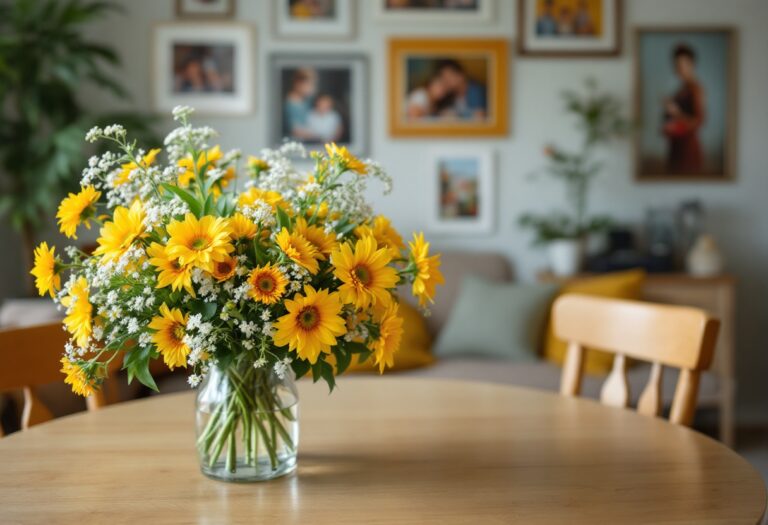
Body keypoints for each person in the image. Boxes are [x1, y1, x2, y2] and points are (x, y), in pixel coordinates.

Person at [662, 43, 705, 174]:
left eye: (683, 65)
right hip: (677, 146)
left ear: (691, 65)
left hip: (688, 149)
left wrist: (676, 113)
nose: (679, 69)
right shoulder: (682, 89)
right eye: (677, 65)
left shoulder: (695, 89)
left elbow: (698, 121)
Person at [284, 68, 318, 141]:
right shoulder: (291, 104)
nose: (312, 88)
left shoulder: (307, 100)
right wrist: (320, 134)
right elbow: (296, 130)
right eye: (310, 84)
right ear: (298, 84)